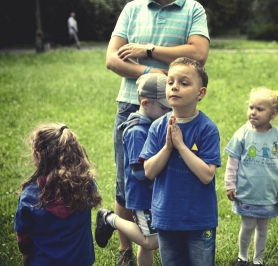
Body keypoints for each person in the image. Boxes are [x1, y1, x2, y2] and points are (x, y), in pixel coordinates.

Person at [105, 1, 210, 264]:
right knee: (126, 179)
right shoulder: (132, 8)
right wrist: (150, 71)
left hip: (169, 107)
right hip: (132, 103)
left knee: (167, 173)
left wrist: (148, 50)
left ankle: (158, 233)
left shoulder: (192, 8)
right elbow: (112, 59)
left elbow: (198, 54)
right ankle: (124, 248)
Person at [139, 57, 220, 265]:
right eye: (171, 82)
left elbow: (206, 175)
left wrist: (181, 146)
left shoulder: (207, 129)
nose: (175, 87)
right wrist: (168, 147)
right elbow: (148, 171)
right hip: (167, 217)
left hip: (199, 219)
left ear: (200, 93)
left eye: (184, 83)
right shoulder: (158, 127)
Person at [95, 73, 172, 266]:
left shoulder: (154, 123)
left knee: (147, 243)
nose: (169, 111)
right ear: (145, 104)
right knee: (151, 241)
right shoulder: (137, 131)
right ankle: (110, 219)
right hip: (143, 196)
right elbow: (140, 172)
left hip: (154, 194)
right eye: (164, 107)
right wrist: (162, 185)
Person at [14, 123, 102, 266]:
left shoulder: (29, 197)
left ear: (39, 156)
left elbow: (23, 238)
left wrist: (26, 257)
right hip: (81, 261)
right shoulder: (86, 185)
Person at [224, 88, 278, 266]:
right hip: (247, 192)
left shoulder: (277, 137)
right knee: (247, 226)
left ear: (273, 113)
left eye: (259, 109)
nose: (253, 112)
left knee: (263, 228)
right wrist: (230, 184)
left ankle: (258, 259)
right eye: (251, 107)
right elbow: (233, 162)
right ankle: (242, 257)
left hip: (268, 194)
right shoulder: (243, 133)